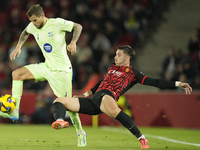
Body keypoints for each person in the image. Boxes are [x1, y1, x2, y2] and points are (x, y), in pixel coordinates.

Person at [51, 45, 192, 149]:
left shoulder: (133, 73)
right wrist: (86, 94)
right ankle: (60, 120)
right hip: (93, 101)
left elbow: (154, 82)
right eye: (116, 54)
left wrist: (178, 83)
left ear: (127, 57)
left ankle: (141, 138)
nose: (115, 57)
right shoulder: (112, 68)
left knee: (113, 110)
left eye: (118, 55)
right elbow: (102, 82)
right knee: (59, 100)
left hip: (107, 97)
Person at [0, 4, 87, 147]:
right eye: (31, 21)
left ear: (42, 15)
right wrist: (19, 46)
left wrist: (73, 42)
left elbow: (78, 26)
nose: (33, 23)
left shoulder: (57, 23)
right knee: (16, 74)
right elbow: (25, 32)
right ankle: (14, 112)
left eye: (35, 20)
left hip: (62, 70)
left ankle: (80, 132)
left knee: (69, 106)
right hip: (47, 66)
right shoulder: (33, 26)